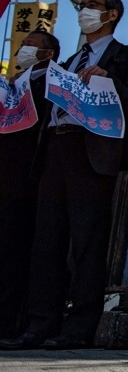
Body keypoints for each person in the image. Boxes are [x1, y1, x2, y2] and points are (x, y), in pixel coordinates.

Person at [1, 0, 128, 350]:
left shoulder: (126, 57)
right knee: (47, 241)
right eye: (83, 6)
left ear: (111, 14)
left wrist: (106, 81)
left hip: (91, 152)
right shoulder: (66, 63)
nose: (84, 11)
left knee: (87, 241)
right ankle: (40, 323)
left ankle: (80, 326)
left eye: (93, 6)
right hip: (54, 150)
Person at [0, 31, 60, 339]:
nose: (23, 49)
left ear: (48, 54)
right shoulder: (13, 84)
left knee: (15, 251)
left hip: (28, 178)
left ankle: (10, 321)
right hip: (7, 173)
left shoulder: (52, 83)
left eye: (32, 45)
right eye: (23, 45)